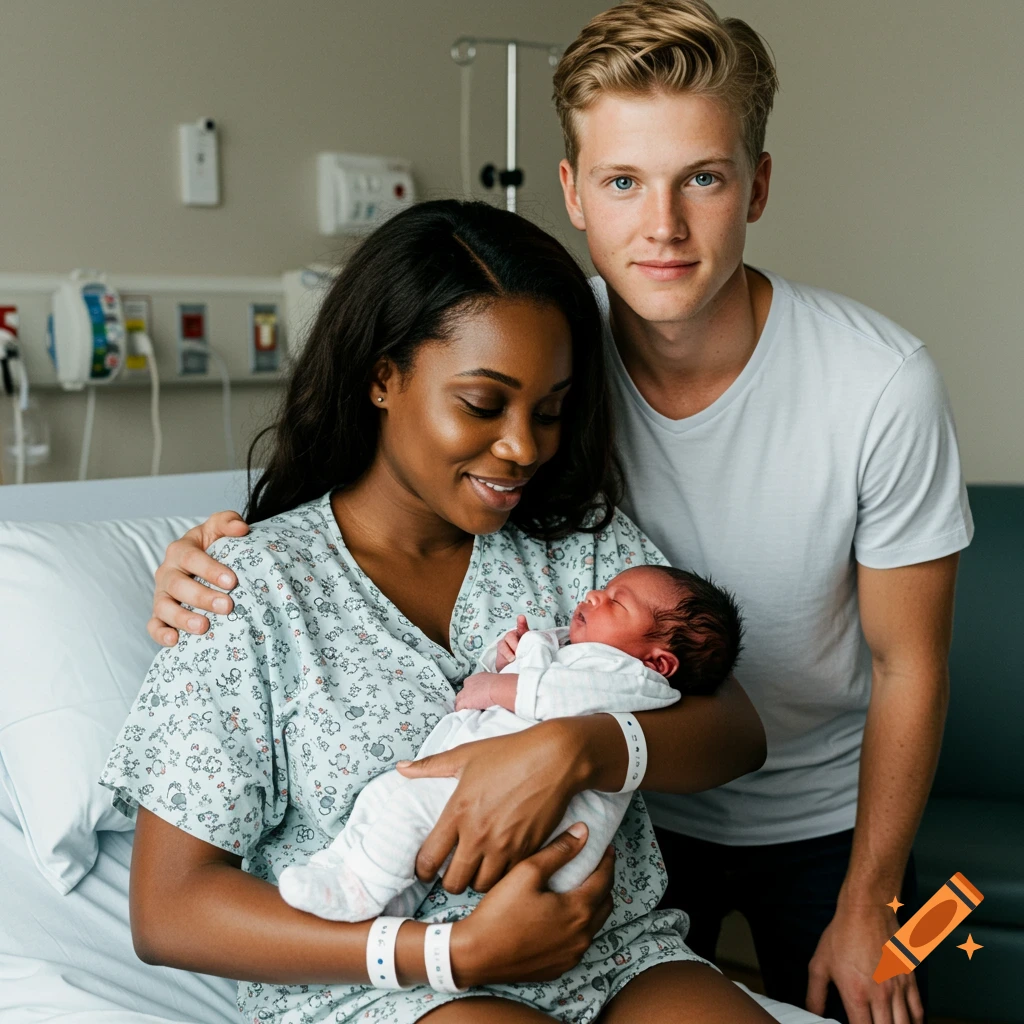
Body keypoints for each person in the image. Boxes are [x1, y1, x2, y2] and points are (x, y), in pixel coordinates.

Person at [153, 4, 974, 1022]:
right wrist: (204, 550)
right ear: (573, 193)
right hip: (632, 834)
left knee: (880, 990)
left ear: (755, 186)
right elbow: (383, 439)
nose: (662, 226)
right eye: (624, 180)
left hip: (806, 808)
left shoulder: (873, 383)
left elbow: (909, 665)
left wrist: (874, 903)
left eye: (702, 178)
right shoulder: (536, 331)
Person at [106, 199, 784, 1024]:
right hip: (389, 989)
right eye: (482, 403)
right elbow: (169, 909)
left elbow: (736, 732)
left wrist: (578, 747)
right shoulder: (247, 592)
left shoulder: (580, 548)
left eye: (549, 409)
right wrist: (447, 955)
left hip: (611, 954)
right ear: (383, 376)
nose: (525, 448)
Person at [275, 565, 743, 923]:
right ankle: (383, 895)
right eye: (605, 587)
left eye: (617, 604)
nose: (596, 595)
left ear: (659, 662)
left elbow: (562, 697)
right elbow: (543, 682)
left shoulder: (633, 679)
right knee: (398, 809)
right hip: (497, 798)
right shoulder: (585, 654)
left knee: (406, 807)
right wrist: (513, 658)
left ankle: (359, 886)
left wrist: (498, 687)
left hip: (550, 826)